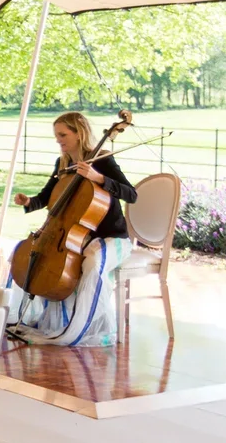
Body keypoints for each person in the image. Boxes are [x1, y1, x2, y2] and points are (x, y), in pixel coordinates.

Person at [7, 111, 138, 347]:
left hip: (110, 237)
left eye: (63, 134)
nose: (59, 140)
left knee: (93, 262)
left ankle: (87, 326)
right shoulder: (63, 163)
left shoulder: (103, 160)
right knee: (26, 253)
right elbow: (48, 198)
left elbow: (131, 194)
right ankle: (51, 320)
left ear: (79, 133)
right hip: (77, 236)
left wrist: (99, 179)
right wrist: (28, 202)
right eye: (56, 135)